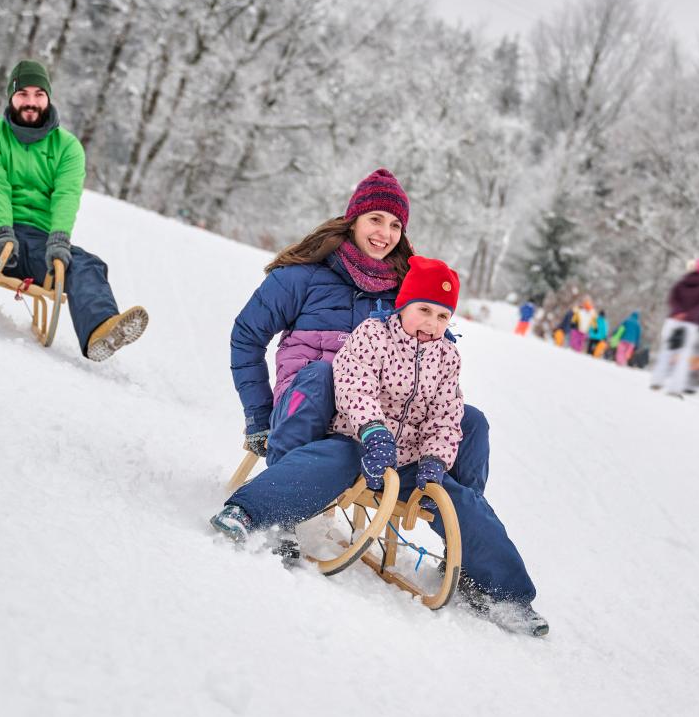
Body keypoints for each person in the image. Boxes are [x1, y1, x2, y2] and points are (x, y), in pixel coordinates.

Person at [212, 257, 547, 636]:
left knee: (462, 503)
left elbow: (445, 415)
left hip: (407, 464)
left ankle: (509, 596)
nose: (432, 324)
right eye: (423, 311)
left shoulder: (447, 356)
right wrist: (372, 432)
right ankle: (248, 512)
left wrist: (435, 460)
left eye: (442, 317)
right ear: (403, 306)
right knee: (321, 463)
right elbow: (353, 384)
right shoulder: (373, 335)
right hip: (357, 442)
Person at [229, 168, 490, 490]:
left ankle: (459, 517)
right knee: (322, 375)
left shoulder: (406, 295)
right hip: (307, 407)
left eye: (395, 225)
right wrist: (258, 415)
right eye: (376, 219)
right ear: (353, 220)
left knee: (472, 421)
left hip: (375, 421)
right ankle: (276, 499)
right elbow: (246, 338)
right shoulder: (301, 278)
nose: (385, 232)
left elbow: (434, 355)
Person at [0, 59, 148, 359]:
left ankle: (102, 330)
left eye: (39, 94)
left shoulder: (67, 148)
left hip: (43, 242)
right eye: (23, 94)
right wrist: (1, 229)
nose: (31, 102)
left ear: (48, 98)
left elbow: (66, 195)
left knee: (88, 265)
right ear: (11, 96)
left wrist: (59, 239)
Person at [651, 259, 699, 396]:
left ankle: (657, 380)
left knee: (666, 350)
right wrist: (689, 315)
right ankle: (675, 388)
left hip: (673, 319)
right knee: (684, 355)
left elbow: (672, 298)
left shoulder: (682, 282)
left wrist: (679, 312)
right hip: (691, 324)